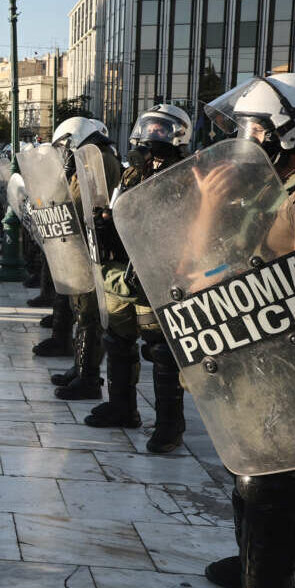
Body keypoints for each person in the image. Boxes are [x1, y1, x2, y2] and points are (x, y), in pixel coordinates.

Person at [180, 74, 295, 588]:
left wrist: (230, 278)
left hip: (292, 357)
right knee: (249, 463)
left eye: (254, 127)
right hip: (264, 349)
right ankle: (255, 565)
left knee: (270, 478)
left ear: (290, 128)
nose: (247, 138)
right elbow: (205, 261)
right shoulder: (285, 182)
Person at [82, 105, 192, 450]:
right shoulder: (132, 173)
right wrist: (105, 223)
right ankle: (122, 406)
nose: (152, 135)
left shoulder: (186, 173)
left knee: (161, 349)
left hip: (163, 268)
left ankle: (169, 425)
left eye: (160, 130)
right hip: (126, 266)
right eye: (149, 128)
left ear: (177, 135)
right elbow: (121, 210)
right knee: (117, 336)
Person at [39, 118, 114, 405]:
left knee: (91, 315)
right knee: (82, 312)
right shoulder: (89, 158)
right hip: (81, 245)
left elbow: (82, 200)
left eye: (69, 144)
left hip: (92, 247)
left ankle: (89, 378)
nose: (67, 151)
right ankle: (81, 368)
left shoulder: (99, 158)